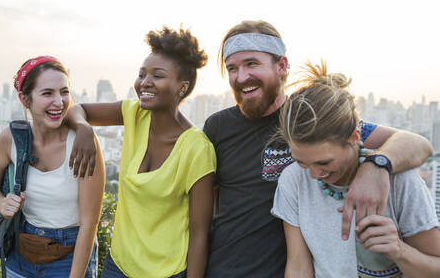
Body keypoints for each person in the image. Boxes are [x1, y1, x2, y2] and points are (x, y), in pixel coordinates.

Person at [201, 20, 433, 277]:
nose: (241, 76)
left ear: (282, 66)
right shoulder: (218, 127)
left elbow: (418, 144)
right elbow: (201, 206)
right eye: (232, 68)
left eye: (252, 64)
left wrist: (376, 166)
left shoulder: (312, 120)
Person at [66, 27, 216, 278]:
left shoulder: (197, 149)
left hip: (168, 272)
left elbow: (200, 234)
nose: (145, 82)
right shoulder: (134, 113)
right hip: (118, 265)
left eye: (157, 76)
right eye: (141, 74)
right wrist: (83, 129)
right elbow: (76, 110)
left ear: (182, 87)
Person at [271, 61, 440, 277]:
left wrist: (399, 250)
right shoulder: (293, 179)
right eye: (302, 161)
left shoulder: (400, 180)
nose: (313, 174)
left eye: (324, 163)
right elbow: (298, 267)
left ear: (354, 137)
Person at [0, 56, 105, 278]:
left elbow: (89, 224)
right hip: (21, 249)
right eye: (48, 93)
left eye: (64, 92)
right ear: (25, 99)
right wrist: (2, 203)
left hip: (71, 254)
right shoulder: (11, 138)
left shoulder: (82, 143)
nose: (59, 102)